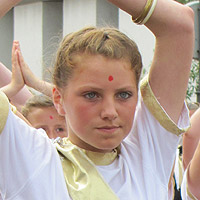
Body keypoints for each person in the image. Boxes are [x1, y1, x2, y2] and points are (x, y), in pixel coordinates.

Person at [0, 0, 194, 199]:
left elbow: (179, 25)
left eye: (123, 95)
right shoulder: (30, 157)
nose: (110, 112)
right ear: (58, 99)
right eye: (91, 95)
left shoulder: (148, 153)